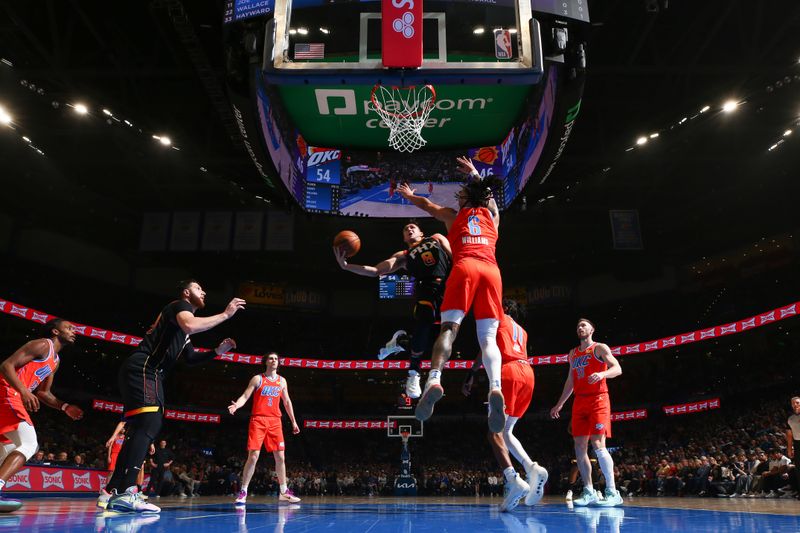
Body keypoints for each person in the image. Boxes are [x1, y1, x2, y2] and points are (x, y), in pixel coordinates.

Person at [102, 280, 244, 513]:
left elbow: (190, 358)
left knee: (138, 430)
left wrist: (217, 352)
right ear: (187, 293)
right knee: (151, 422)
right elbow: (190, 325)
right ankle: (128, 492)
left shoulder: (182, 330)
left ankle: (112, 491)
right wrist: (226, 315)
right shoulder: (179, 306)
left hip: (141, 370)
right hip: (145, 368)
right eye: (199, 288)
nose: (204, 291)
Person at [398, 156, 507, 433]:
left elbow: (427, 205)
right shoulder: (492, 216)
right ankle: (495, 387)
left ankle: (434, 379)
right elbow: (490, 198)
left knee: (448, 329)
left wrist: (411, 196)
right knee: (488, 339)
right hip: (492, 272)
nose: (457, 199)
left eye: (460, 196)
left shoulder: (453, 216)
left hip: (465, 268)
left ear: (466, 200)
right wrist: (474, 172)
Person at [334, 222, 452, 398]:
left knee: (445, 337)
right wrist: (346, 266)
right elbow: (375, 271)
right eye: (405, 229)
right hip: (426, 289)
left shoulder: (437, 238)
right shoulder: (403, 256)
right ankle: (413, 373)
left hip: (449, 288)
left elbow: (456, 258)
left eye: (412, 227)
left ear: (421, 231)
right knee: (424, 323)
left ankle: (400, 342)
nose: (409, 229)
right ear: (404, 238)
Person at [463, 299, 548, 511]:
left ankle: (513, 480)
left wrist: (471, 374)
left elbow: (485, 349)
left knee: (494, 433)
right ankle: (532, 468)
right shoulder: (522, 330)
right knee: (507, 431)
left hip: (508, 372)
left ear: (506, 309)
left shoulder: (498, 320)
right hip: (527, 373)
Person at [0, 319, 84, 512]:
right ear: (55, 331)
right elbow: (6, 365)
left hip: (13, 395)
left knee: (8, 447)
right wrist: (23, 391)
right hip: (7, 392)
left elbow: (43, 393)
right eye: (69, 328)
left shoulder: (55, 361)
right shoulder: (42, 344)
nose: (74, 331)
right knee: (30, 444)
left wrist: (64, 407)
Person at [550, 318, 623, 507]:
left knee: (598, 443)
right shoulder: (573, 354)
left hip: (598, 398)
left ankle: (612, 491)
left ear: (592, 329)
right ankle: (589, 490)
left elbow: (617, 368)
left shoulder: (600, 348)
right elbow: (570, 381)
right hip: (580, 401)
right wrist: (559, 404)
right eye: (578, 326)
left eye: (584, 325)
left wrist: (602, 374)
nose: (580, 328)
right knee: (579, 447)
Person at [229, 352, 301, 505]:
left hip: (275, 421)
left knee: (280, 457)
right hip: (258, 419)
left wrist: (294, 421)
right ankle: (243, 491)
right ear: (266, 362)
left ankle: (283, 491)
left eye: (276, 359)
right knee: (253, 456)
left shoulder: (282, 381)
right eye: (271, 358)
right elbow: (245, 396)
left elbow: (287, 402)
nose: (274, 360)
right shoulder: (258, 378)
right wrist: (237, 405)